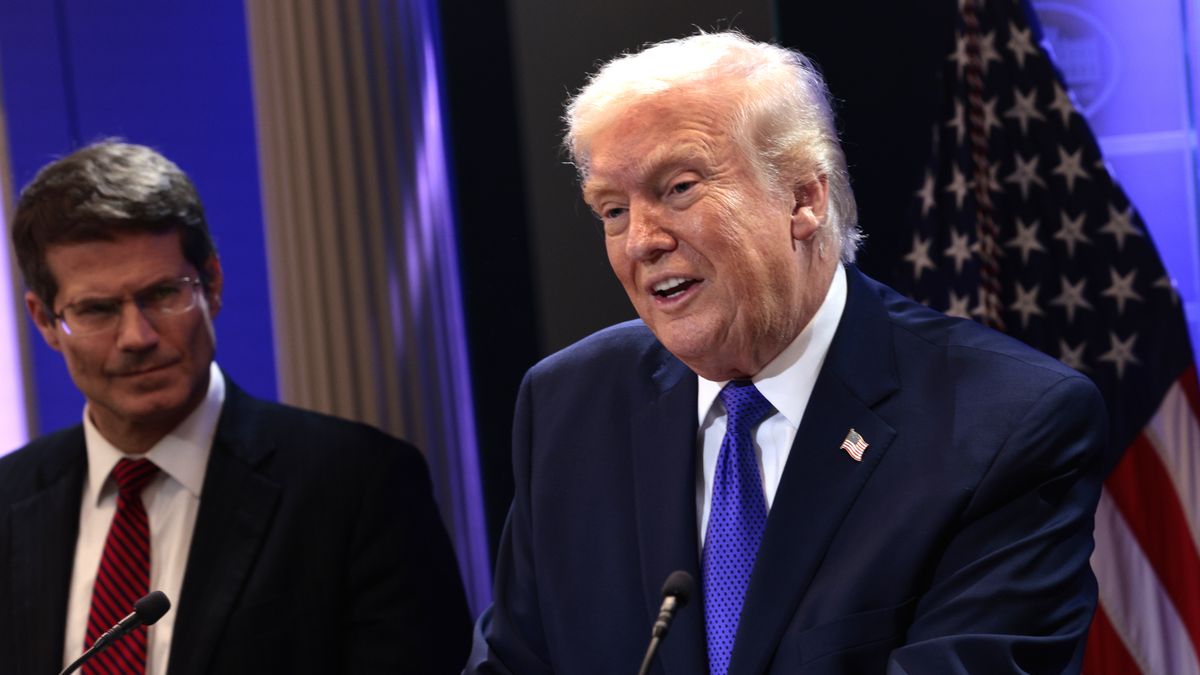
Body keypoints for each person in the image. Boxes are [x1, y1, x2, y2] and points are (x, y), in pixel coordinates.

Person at [467, 32, 1107, 674]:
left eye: (679, 188)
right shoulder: (569, 406)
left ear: (804, 197)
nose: (640, 241)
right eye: (612, 210)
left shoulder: (1006, 423)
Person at [0, 141, 472, 674]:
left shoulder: (357, 485)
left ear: (213, 283)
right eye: (98, 310)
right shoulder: (8, 501)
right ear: (45, 321)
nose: (137, 337)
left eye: (162, 294)